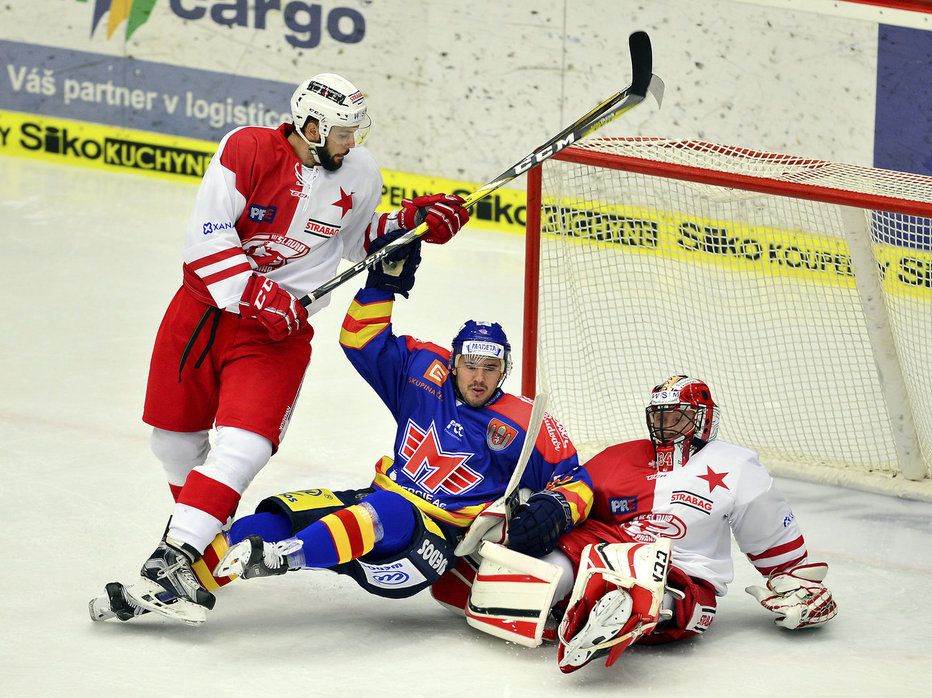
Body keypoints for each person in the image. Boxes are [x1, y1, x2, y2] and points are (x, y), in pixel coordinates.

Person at [89, 72, 471, 623]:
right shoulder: (245, 149)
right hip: (203, 315)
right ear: (310, 125)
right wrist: (257, 292)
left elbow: (359, 242)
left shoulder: (359, 172)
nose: (352, 143)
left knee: (244, 447)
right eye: (343, 132)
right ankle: (205, 539)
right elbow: (207, 238)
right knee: (174, 446)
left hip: (278, 336)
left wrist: (412, 223)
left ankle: (172, 560)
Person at [96, 232, 594, 623]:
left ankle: (282, 559)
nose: (479, 377)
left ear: (504, 369)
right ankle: (172, 590)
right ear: (456, 360)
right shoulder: (425, 372)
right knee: (273, 517)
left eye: (491, 368)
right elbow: (360, 338)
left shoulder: (525, 421)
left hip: (425, 548)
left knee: (383, 511)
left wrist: (556, 506)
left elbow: (577, 481)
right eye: (470, 365)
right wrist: (381, 286)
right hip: (370, 507)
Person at [434, 375, 837, 672]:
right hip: (607, 546)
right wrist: (544, 509)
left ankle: (622, 609)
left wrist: (799, 584)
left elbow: (772, 536)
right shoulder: (622, 455)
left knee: (667, 599)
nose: (665, 426)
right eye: (659, 416)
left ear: (703, 420)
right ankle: (517, 588)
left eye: (677, 417)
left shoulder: (736, 465)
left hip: (684, 567)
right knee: (553, 565)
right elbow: (575, 491)